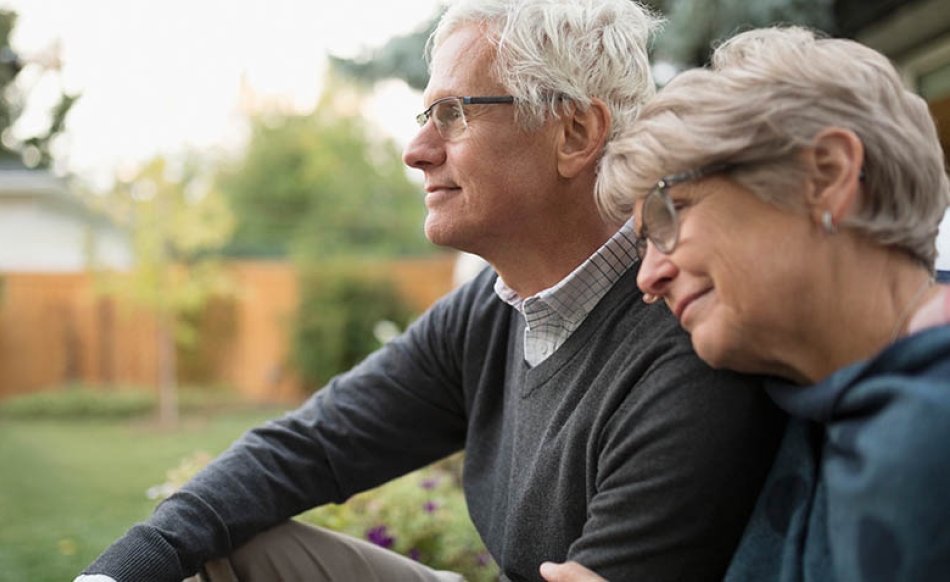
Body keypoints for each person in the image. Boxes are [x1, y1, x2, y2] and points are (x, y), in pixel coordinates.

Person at [77, 2, 786, 581]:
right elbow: (311, 446)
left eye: (453, 114)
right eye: (425, 118)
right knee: (224, 551)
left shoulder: (684, 343)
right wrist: (119, 572)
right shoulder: (493, 307)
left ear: (574, 131)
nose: (416, 151)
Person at [542, 25, 950, 582]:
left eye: (668, 214)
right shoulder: (805, 410)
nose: (648, 278)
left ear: (824, 175)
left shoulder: (930, 423)